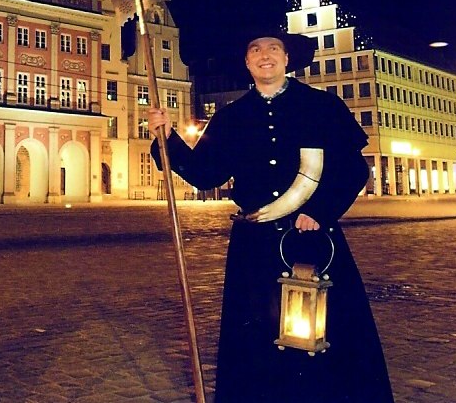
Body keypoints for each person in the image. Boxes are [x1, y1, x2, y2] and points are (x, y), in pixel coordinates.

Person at [149, 30, 393, 403]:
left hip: (313, 236)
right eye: (256, 50)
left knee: (329, 333)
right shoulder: (233, 117)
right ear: (247, 62)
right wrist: (167, 139)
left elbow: (353, 171)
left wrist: (319, 211)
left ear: (286, 59)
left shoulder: (321, 106)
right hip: (256, 243)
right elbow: (205, 173)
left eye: (273, 49)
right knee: (257, 335)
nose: (266, 56)